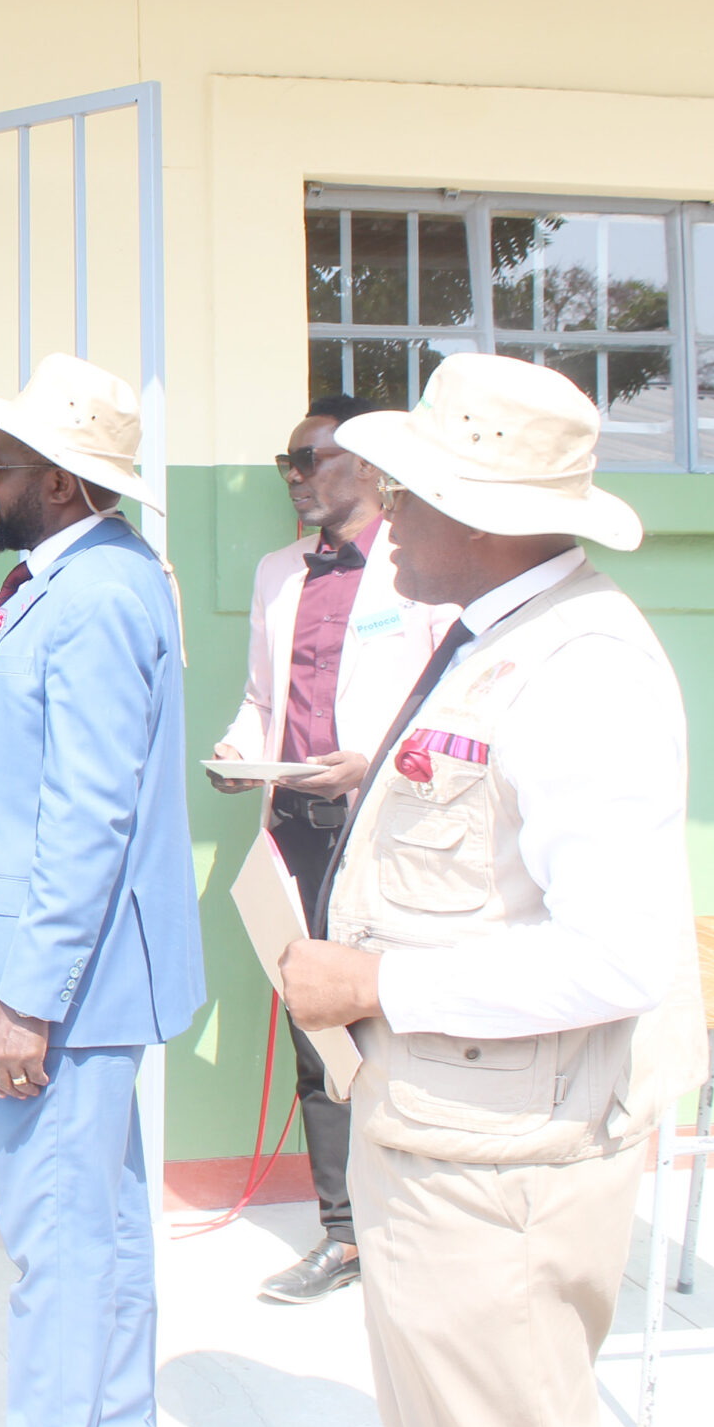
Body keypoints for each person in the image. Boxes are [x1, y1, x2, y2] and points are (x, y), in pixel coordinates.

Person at [278, 353, 708, 1427]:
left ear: (483, 515)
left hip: (500, 1175)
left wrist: (374, 980)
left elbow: (617, 956)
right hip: (447, 1141)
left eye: (406, 490)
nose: (382, 510)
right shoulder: (493, 636)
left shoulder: (582, 667)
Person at [0, 353, 205, 1427]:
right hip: (88, 977)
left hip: (63, 985)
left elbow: (87, 816)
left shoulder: (93, 597)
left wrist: (26, 1000)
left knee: (58, 1241)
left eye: (4, 464)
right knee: (103, 1221)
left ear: (64, 484)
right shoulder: (88, 579)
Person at [209, 394, 456, 1304]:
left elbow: (447, 699)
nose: (295, 478)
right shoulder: (279, 573)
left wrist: (371, 761)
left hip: (385, 831)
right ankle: (344, 1233)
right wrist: (239, 750)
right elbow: (260, 698)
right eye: (287, 463)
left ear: (366, 466)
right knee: (318, 1029)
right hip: (296, 831)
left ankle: (421, 1217)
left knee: (398, 1023)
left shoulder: (416, 560)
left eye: (309, 459)